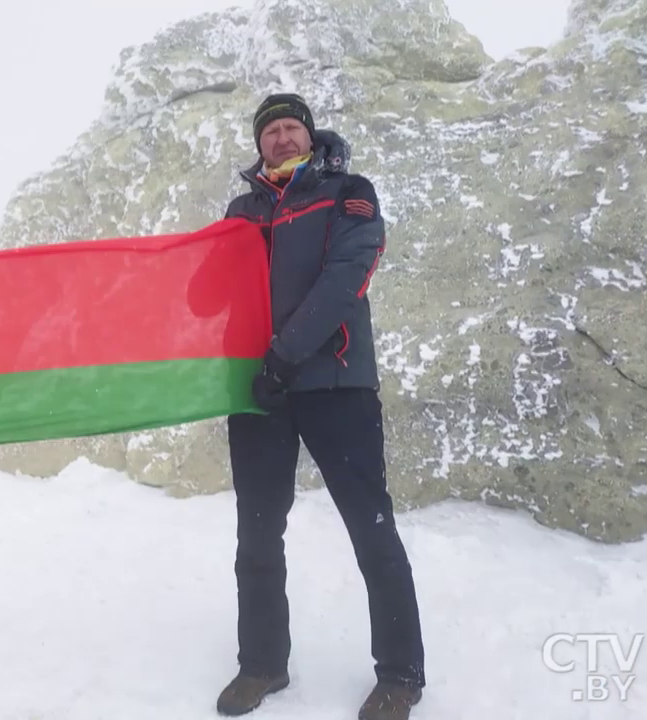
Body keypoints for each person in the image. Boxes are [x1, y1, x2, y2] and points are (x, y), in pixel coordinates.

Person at [214, 95, 426, 720]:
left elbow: (347, 276)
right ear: (259, 145)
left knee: (371, 529)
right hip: (261, 395)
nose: (280, 138)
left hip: (336, 384)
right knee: (256, 534)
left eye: (290, 127)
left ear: (308, 135)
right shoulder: (241, 211)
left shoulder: (348, 192)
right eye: (270, 131)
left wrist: (283, 354)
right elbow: (213, 294)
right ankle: (262, 665)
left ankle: (401, 675)